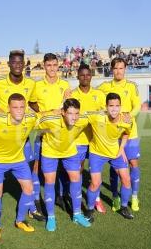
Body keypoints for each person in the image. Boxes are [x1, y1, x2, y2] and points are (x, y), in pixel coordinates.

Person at [0, 50, 42, 221]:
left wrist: (49, 114)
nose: (18, 65)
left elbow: (33, 104)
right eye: (14, 62)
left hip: (23, 136)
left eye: (21, 62)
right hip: (3, 135)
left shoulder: (31, 83)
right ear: (9, 64)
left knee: (30, 171)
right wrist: (0, 115)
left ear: (24, 64)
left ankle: (31, 207)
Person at [0, 93, 38, 240]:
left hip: (18, 160)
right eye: (15, 107)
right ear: (8, 108)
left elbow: (45, 116)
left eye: (22, 107)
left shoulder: (30, 119)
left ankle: (20, 220)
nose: (19, 110)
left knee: (29, 189)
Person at [36, 99, 92, 231]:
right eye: (70, 113)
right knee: (49, 182)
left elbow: (100, 114)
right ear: (62, 112)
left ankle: (77, 214)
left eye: (76, 113)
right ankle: (51, 217)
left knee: (76, 179)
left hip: (70, 151)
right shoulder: (50, 119)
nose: (74, 117)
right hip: (50, 152)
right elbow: (33, 119)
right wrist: (50, 112)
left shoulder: (82, 119)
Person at [98, 58, 141, 212]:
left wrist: (129, 115)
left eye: (121, 68)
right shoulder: (104, 87)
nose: (118, 71)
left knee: (133, 164)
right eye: (115, 68)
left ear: (125, 69)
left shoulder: (131, 86)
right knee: (114, 165)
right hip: (111, 134)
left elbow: (137, 105)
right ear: (111, 69)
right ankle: (115, 196)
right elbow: (94, 98)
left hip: (130, 133)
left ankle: (134, 197)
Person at [29, 53, 71, 212]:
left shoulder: (65, 84)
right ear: (44, 66)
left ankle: (59, 195)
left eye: (54, 65)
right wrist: (45, 113)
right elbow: (31, 102)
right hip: (44, 131)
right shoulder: (37, 85)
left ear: (58, 65)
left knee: (60, 166)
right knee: (36, 165)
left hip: (61, 132)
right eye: (49, 65)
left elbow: (68, 106)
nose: (52, 68)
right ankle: (35, 198)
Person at [84, 93, 134, 221]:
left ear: (120, 107)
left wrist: (121, 148)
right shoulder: (96, 116)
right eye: (111, 105)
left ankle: (123, 207)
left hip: (115, 153)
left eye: (117, 106)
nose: (114, 109)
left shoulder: (126, 120)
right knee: (95, 183)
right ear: (106, 106)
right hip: (97, 154)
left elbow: (126, 134)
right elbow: (78, 114)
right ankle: (89, 210)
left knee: (126, 179)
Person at [70, 64, 106, 213]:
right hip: (78, 140)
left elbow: (105, 114)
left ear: (91, 76)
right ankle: (77, 199)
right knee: (78, 170)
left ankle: (96, 199)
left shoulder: (99, 94)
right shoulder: (72, 94)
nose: (85, 77)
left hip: (96, 141)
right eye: (82, 75)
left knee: (95, 172)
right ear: (77, 76)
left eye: (88, 75)